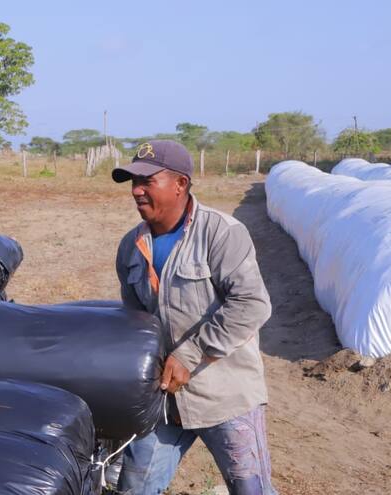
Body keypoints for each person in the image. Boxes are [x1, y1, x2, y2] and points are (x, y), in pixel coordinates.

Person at [112, 140, 276, 495]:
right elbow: (134, 322)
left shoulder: (222, 233)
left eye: (146, 181)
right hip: (163, 399)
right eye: (132, 182)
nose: (137, 191)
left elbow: (251, 304)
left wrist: (190, 353)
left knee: (252, 490)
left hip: (225, 394)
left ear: (180, 184)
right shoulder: (131, 247)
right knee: (133, 489)